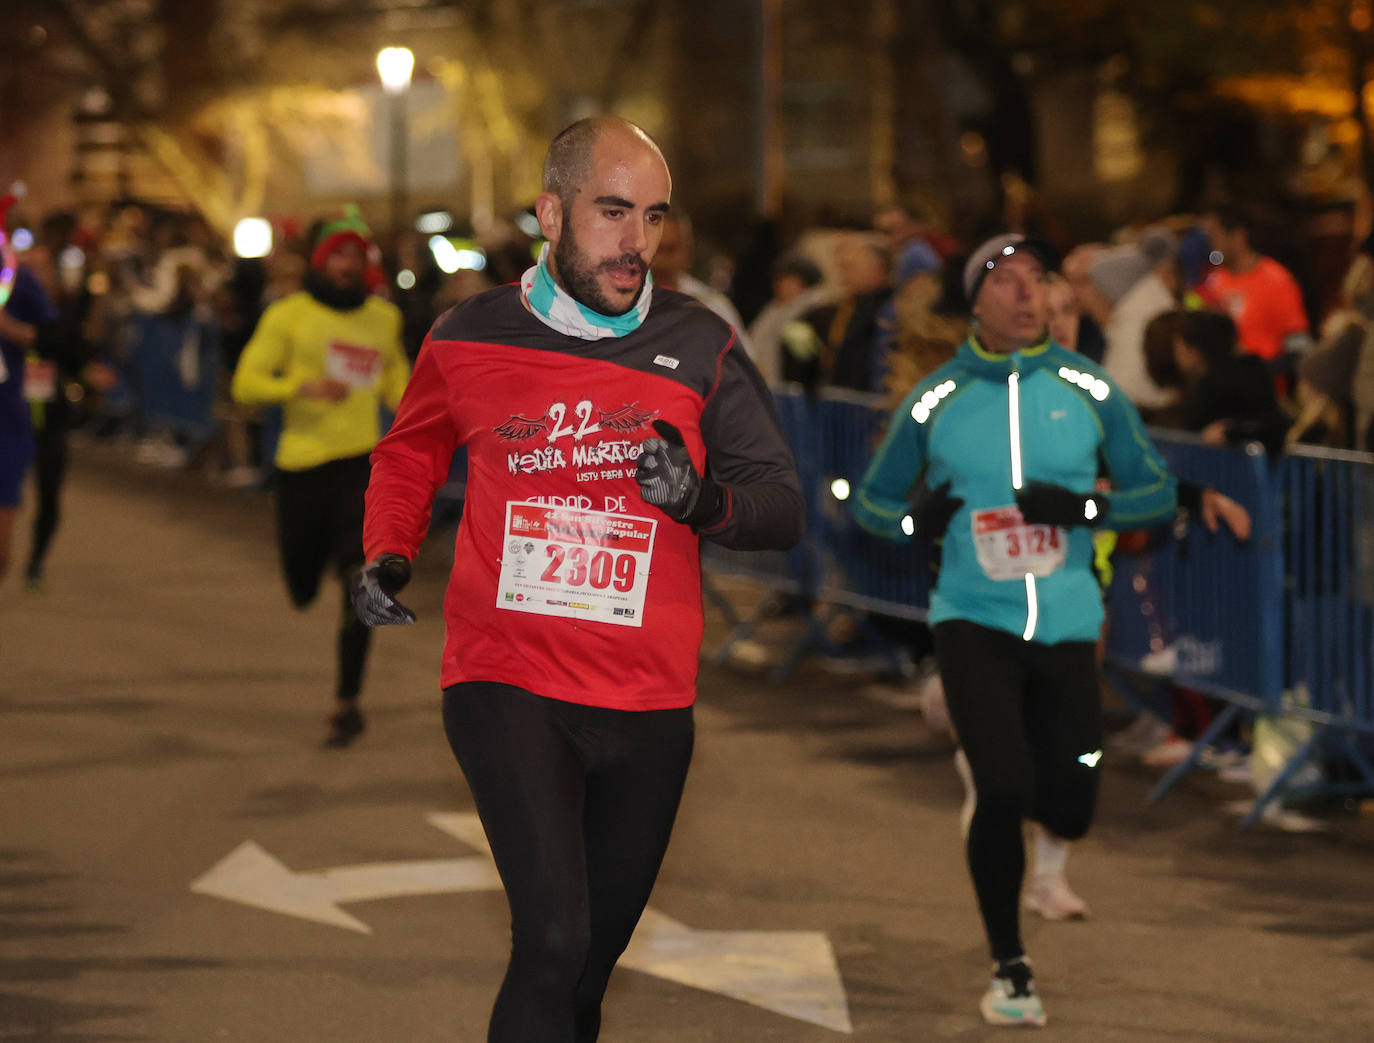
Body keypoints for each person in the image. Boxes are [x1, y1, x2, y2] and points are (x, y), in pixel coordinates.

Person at [352, 116, 803, 1042]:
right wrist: (389, 545)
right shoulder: (469, 335)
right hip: (507, 679)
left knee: (587, 970)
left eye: (653, 216)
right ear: (550, 214)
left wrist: (702, 500)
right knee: (553, 939)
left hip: (647, 699)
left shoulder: (700, 342)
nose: (636, 240)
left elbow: (781, 504)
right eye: (611, 212)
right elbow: (410, 452)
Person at [852, 233, 1179, 1028]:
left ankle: (1057, 834)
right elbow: (868, 506)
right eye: (1008, 280)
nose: (1028, 292)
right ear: (978, 301)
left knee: (1072, 797)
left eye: (1037, 277)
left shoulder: (1088, 385)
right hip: (974, 619)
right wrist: (913, 521)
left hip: (1069, 622)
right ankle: (1010, 965)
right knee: (1001, 788)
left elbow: (1157, 496)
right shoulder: (934, 397)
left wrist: (1084, 508)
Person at [230, 205, 409, 747]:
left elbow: (397, 384)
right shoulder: (290, 316)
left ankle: (347, 700)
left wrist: (424, 418)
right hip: (300, 468)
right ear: (321, 262)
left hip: (359, 465)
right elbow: (245, 384)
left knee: (361, 580)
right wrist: (299, 388)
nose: (347, 266)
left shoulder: (383, 319)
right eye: (338, 256)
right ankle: (308, 582)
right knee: (302, 586)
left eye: (357, 256)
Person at [1198, 206, 1311, 387]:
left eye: (1215, 236)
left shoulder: (1276, 279)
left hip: (1269, 388)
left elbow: (1299, 345)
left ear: (1238, 236)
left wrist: (1268, 369)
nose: (1212, 246)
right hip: (1228, 388)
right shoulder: (1215, 281)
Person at [648, 210, 755, 358]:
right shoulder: (622, 304)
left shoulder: (713, 305)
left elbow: (749, 371)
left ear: (687, 250)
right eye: (657, 249)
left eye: (671, 249)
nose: (663, 261)